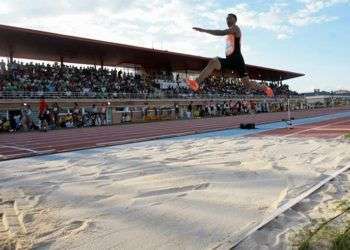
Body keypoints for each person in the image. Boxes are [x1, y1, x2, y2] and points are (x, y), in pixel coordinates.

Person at [187, 13, 274, 97]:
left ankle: (265, 88)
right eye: (226, 19)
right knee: (213, 62)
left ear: (235, 20)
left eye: (229, 18)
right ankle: (196, 83)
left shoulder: (235, 28)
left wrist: (204, 30)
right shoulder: (229, 34)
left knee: (248, 85)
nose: (227, 20)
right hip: (229, 60)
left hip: (238, 61)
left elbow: (221, 32)